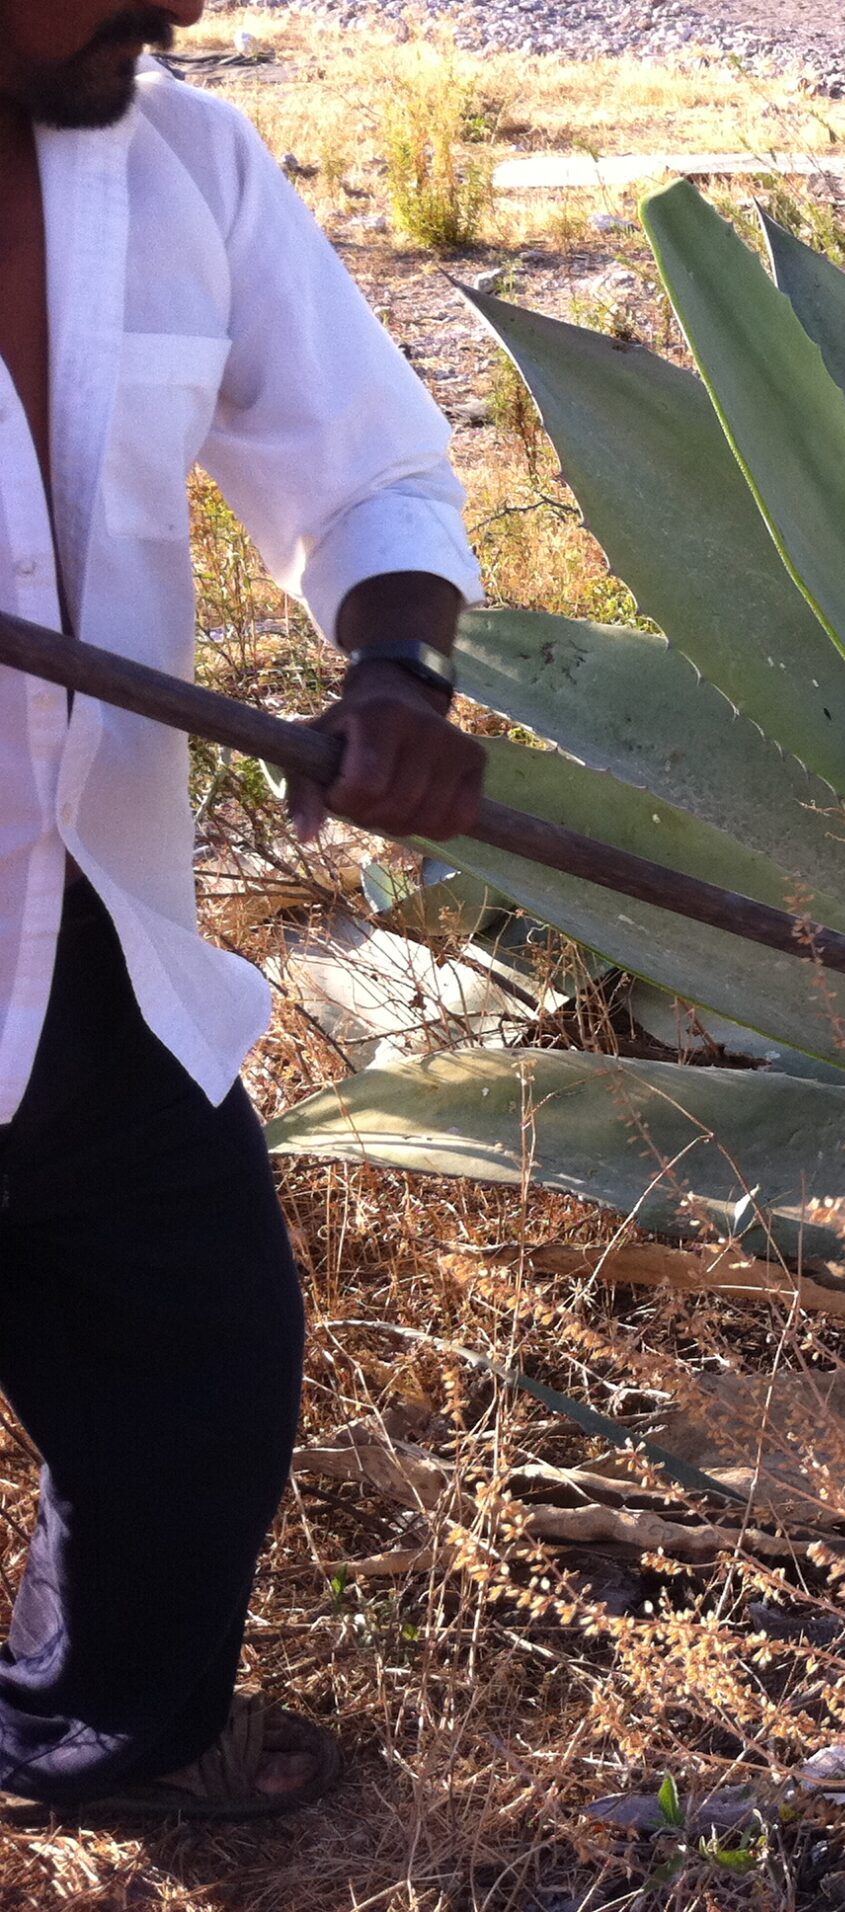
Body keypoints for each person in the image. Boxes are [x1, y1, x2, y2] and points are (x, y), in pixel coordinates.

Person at [0, 0, 486, 1817]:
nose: (184, 1)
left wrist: (393, 679)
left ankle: (105, 1735)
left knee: (194, 1374)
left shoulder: (185, 163)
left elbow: (363, 466)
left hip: (100, 944)